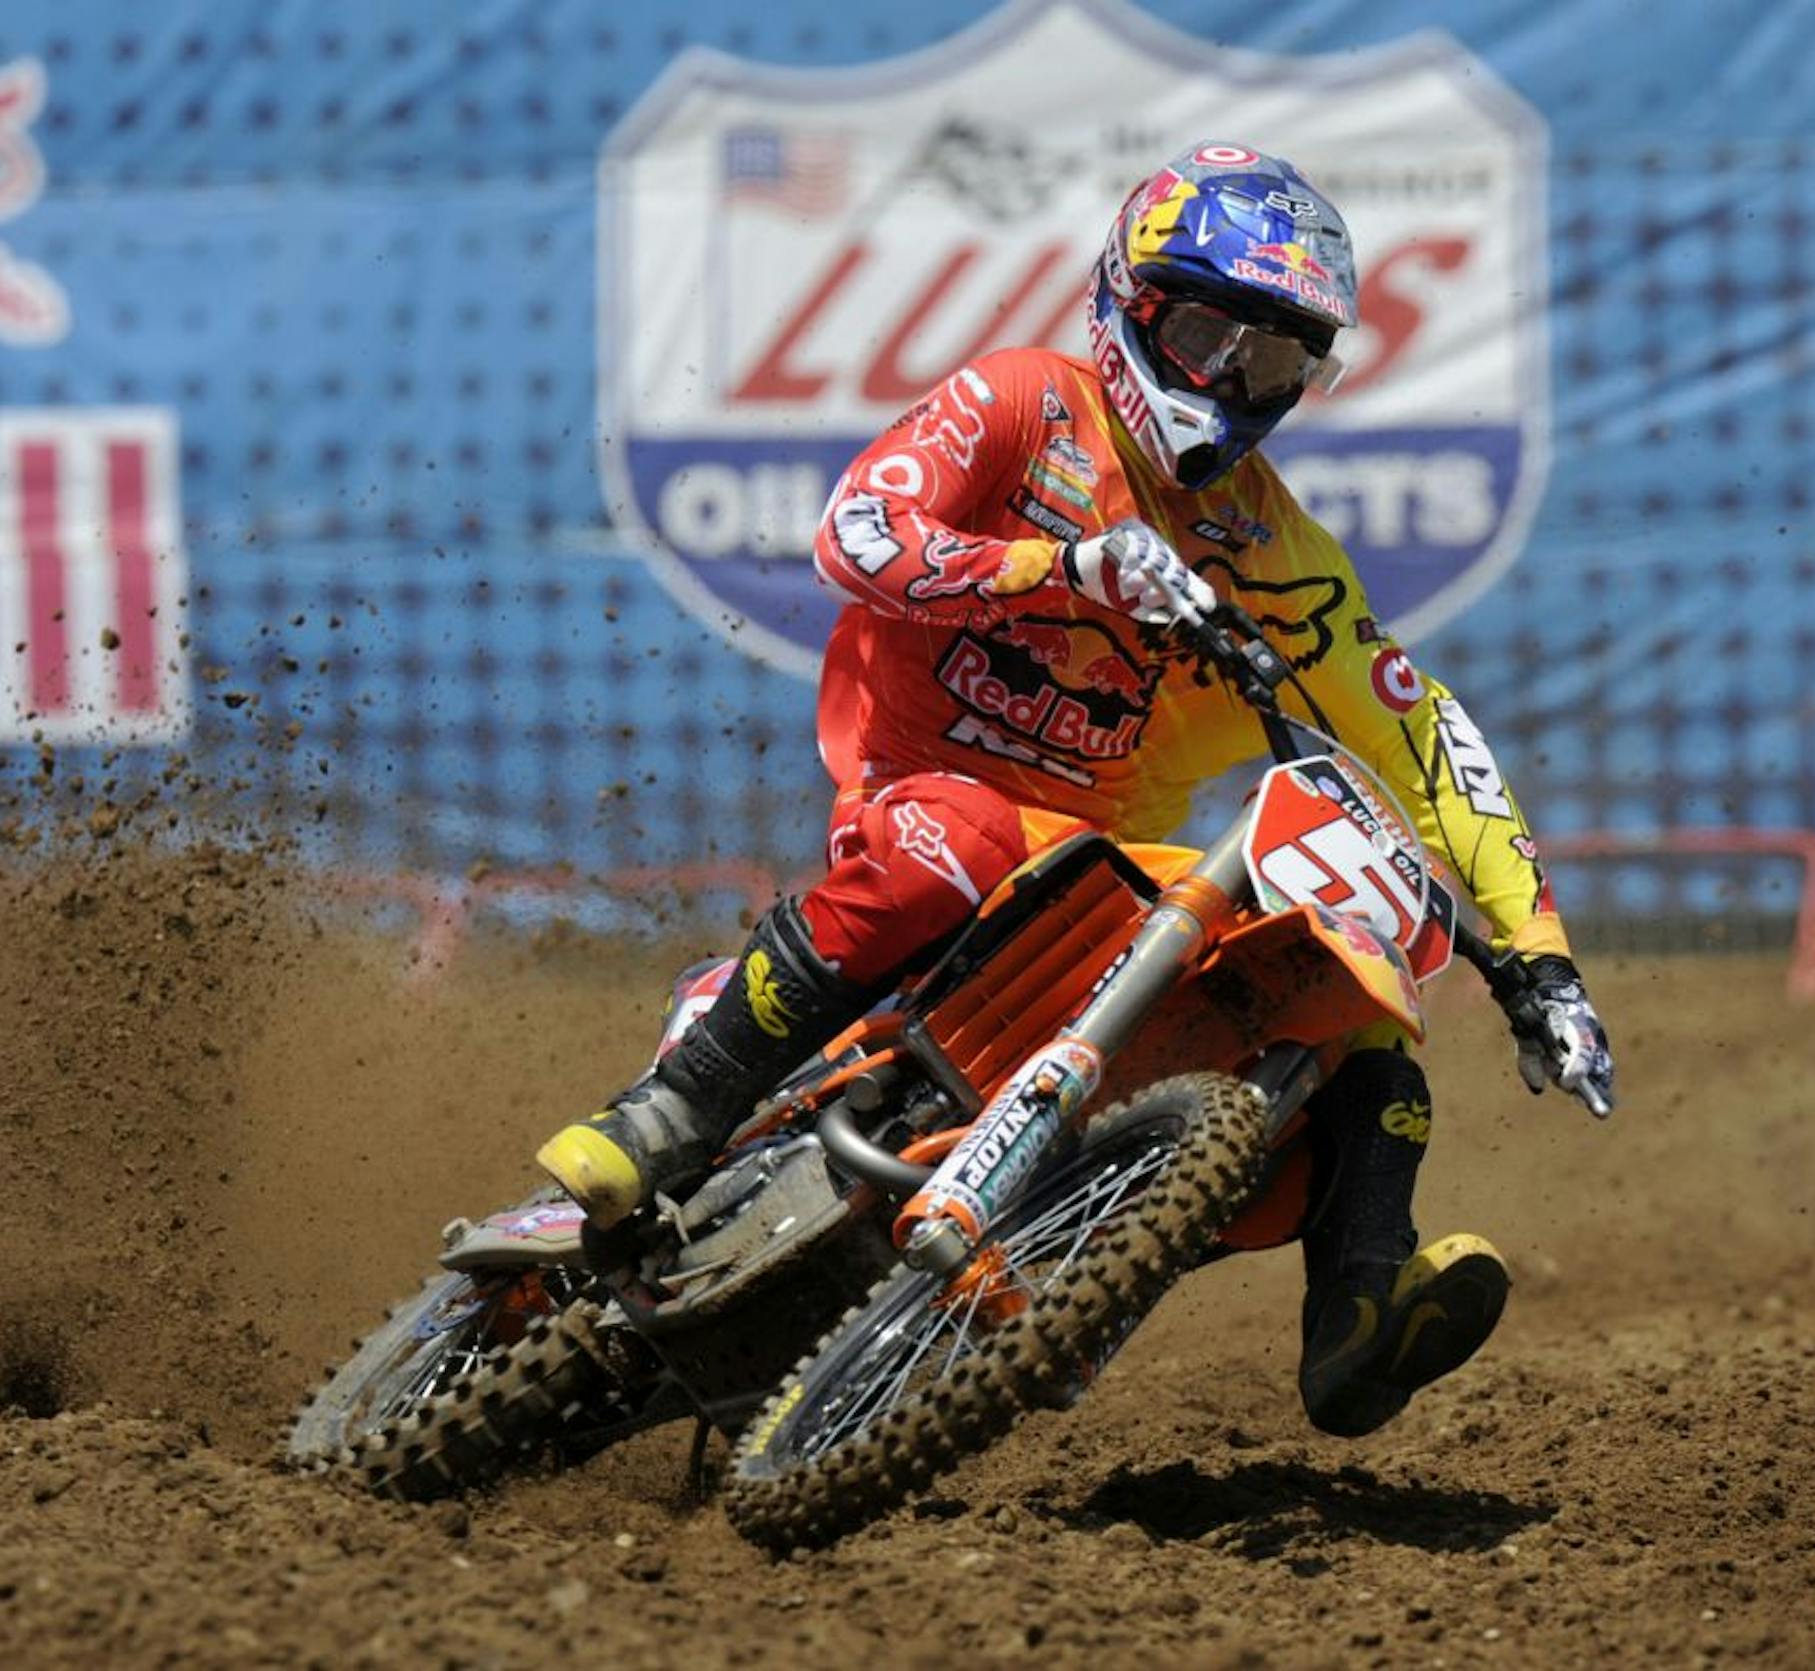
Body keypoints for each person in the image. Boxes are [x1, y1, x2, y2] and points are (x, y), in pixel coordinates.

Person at [539, 141, 1615, 1438]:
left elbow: (1423, 736)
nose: (1230, 380)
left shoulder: (1270, 548)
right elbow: (855, 535)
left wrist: (1542, 958)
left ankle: (1361, 1314)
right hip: (919, 790)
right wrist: (1063, 570)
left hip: (1093, 878)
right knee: (965, 834)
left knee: (1348, 983)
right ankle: (671, 1110)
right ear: (1133, 303)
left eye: (1274, 361)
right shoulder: (1026, 405)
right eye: (1212, 331)